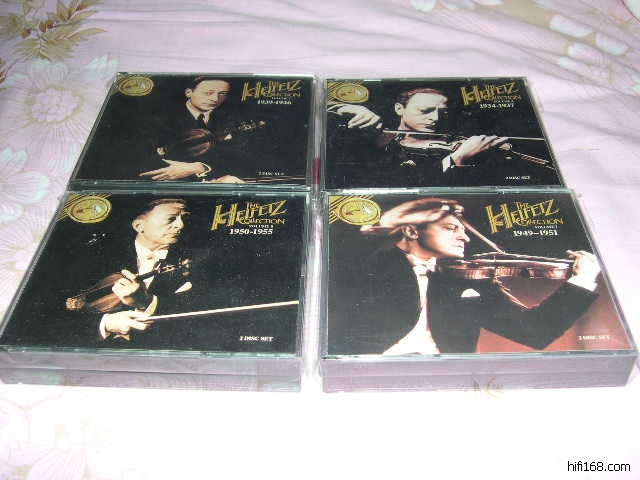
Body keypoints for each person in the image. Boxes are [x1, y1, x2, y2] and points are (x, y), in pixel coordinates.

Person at [328, 198, 601, 355]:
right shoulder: (366, 264)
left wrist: (582, 280)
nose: (465, 237)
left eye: (463, 230)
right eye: (451, 228)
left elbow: (536, 332)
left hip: (448, 379)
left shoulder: (468, 278)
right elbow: (342, 247)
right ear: (411, 231)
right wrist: (386, 222)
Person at [327, 87, 549, 187]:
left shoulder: (454, 140)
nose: (434, 119)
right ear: (399, 109)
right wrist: (345, 107)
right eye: (425, 111)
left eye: (442, 113)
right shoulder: (379, 141)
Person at [95, 198, 197, 343]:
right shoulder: (98, 254)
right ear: (139, 226)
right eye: (171, 219)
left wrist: (146, 302)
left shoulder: (195, 262)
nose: (181, 225)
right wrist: (106, 323)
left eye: (184, 218)